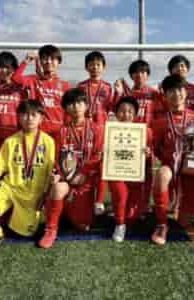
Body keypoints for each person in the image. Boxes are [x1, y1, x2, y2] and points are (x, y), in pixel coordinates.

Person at [0, 100, 55, 255]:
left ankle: (22, 219)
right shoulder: (10, 141)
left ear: (41, 118)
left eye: (34, 115)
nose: (29, 118)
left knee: (26, 233)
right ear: (18, 117)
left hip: (33, 195)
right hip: (9, 188)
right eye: (25, 114)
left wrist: (44, 195)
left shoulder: (48, 142)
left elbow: (49, 172)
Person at [39, 88, 104, 249]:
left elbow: (98, 158)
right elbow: (56, 159)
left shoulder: (97, 129)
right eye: (71, 104)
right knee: (58, 188)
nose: (75, 107)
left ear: (86, 106)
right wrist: (59, 175)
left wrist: (82, 174)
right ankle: (50, 230)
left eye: (79, 103)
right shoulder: (61, 131)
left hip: (86, 180)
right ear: (65, 108)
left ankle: (71, 210)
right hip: (67, 178)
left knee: (82, 225)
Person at [151, 75, 194, 245]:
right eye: (171, 91)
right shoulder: (159, 121)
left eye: (180, 90)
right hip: (169, 165)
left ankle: (183, 205)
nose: (176, 94)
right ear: (165, 95)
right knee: (161, 175)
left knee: (184, 222)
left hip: (190, 168)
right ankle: (161, 223)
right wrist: (164, 157)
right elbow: (155, 147)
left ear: (186, 92)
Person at [114, 59, 161, 215]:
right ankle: (125, 202)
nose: (139, 75)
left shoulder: (154, 94)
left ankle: (145, 203)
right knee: (126, 171)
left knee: (147, 172)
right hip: (128, 138)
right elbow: (116, 110)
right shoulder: (127, 94)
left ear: (147, 75)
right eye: (136, 73)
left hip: (146, 137)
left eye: (143, 72)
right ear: (131, 76)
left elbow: (162, 111)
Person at [107, 96, 153, 242]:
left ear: (135, 114)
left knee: (133, 217)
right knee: (120, 196)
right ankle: (119, 224)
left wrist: (147, 154)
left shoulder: (146, 131)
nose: (126, 115)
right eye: (121, 111)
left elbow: (151, 160)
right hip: (117, 172)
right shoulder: (109, 131)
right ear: (116, 113)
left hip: (136, 173)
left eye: (129, 111)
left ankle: (123, 216)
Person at [77, 51, 113, 215]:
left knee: (102, 166)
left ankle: (99, 201)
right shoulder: (81, 86)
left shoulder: (108, 87)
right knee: (85, 164)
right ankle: (84, 197)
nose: (95, 67)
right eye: (91, 64)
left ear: (104, 67)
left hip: (102, 131)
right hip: (84, 131)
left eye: (98, 64)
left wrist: (119, 92)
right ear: (86, 67)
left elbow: (114, 107)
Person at [12, 44, 70, 137]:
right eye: (45, 58)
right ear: (40, 61)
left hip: (57, 132)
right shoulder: (33, 80)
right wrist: (26, 61)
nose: (48, 62)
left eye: (53, 59)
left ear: (59, 62)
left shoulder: (65, 85)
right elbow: (15, 78)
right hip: (36, 131)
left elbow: (67, 111)